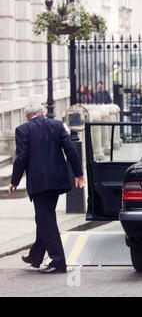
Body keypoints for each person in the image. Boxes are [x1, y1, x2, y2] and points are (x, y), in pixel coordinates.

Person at [8, 103, 85, 274]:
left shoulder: (23, 130)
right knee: (44, 218)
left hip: (39, 183)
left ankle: (58, 262)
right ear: (42, 113)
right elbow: (70, 150)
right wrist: (79, 174)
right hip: (57, 180)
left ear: (27, 116)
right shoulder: (57, 125)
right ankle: (35, 256)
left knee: (46, 220)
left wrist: (14, 181)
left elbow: (21, 158)